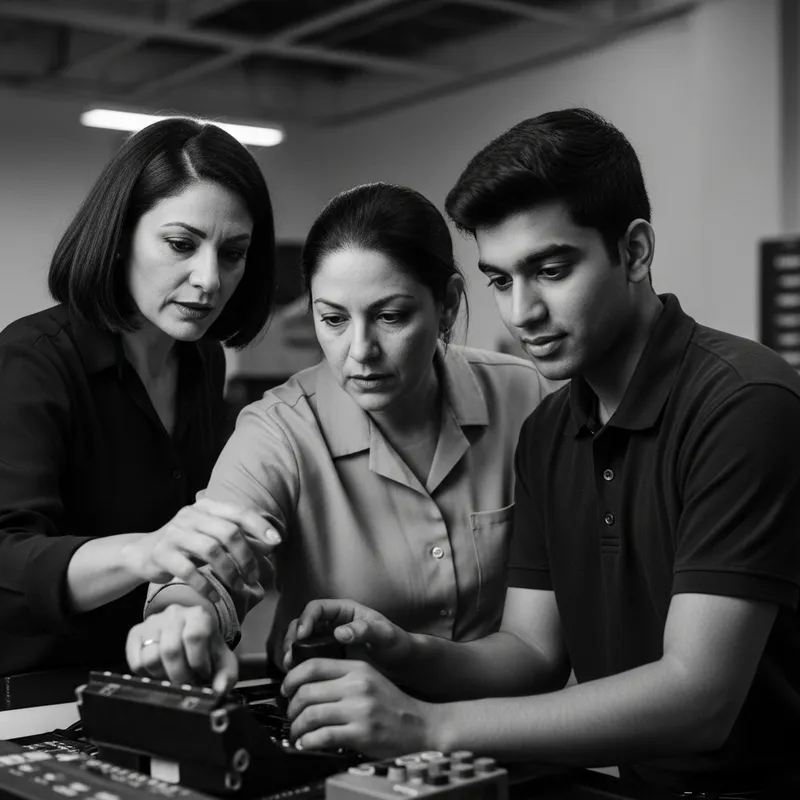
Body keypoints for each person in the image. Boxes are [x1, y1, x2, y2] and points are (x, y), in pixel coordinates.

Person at [280, 110, 800, 796]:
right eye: (499, 280)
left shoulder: (745, 404)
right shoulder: (550, 429)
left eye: (550, 270)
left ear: (636, 251)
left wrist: (429, 727)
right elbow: (531, 653)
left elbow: (699, 698)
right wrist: (405, 651)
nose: (521, 312)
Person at [126, 182, 556, 690]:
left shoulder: (528, 397)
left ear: (446, 305)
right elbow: (213, 559)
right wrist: (183, 612)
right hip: (339, 736)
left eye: (390, 317)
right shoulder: (280, 429)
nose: (360, 351)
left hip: (511, 730)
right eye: (332, 319)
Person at [0, 117, 278, 677]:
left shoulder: (203, 359)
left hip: (147, 682)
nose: (209, 279)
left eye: (233, 253)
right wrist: (143, 552)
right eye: (181, 244)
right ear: (119, 234)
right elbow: (6, 554)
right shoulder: (33, 358)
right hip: (29, 700)